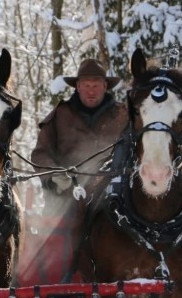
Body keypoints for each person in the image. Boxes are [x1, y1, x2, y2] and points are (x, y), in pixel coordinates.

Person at [31, 57, 128, 198]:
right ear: (78, 86)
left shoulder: (123, 116)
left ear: (105, 86)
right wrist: (54, 175)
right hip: (66, 195)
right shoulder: (60, 115)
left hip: (113, 195)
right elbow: (40, 154)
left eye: (95, 86)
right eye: (86, 85)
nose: (91, 91)